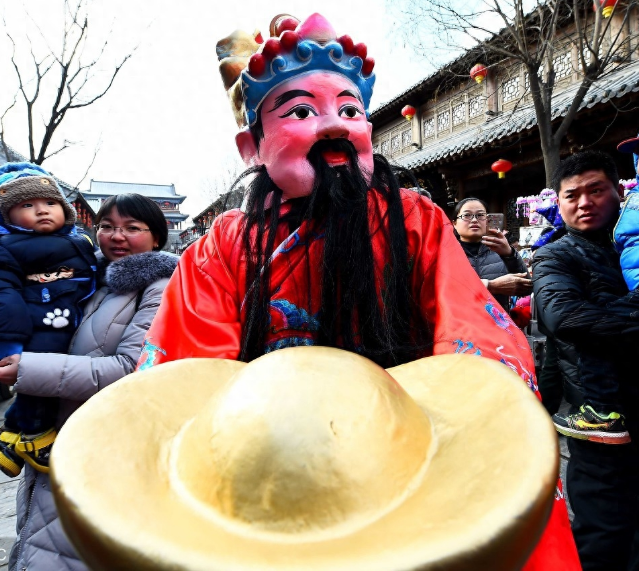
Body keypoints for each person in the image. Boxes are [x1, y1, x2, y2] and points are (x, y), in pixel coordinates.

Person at [142, 13, 579, 569]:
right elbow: (183, 376)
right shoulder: (225, 246)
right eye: (301, 111)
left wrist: (479, 419)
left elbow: (471, 329)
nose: (335, 126)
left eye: (350, 110)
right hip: (272, 477)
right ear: (252, 145)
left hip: (408, 461)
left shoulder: (413, 220)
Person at [0, 193, 178, 571]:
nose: (117, 236)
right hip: (56, 437)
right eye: (107, 226)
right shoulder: (86, 275)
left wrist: (27, 369)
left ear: (157, 237)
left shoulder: (161, 288)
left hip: (102, 445)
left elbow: (131, 370)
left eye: (132, 228)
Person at [532, 150, 639, 570]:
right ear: (558, 203)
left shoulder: (632, 243)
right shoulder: (555, 256)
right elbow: (565, 317)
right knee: (603, 537)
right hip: (597, 419)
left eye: (596, 190)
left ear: (618, 191)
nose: (584, 203)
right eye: (571, 195)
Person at [0, 162, 97, 478]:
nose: (42, 211)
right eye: (27, 205)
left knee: (48, 375)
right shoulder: (8, 246)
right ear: (7, 215)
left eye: (50, 203)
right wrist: (10, 343)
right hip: (38, 324)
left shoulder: (77, 239)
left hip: (62, 313)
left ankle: (11, 435)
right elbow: (5, 295)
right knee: (43, 379)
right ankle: (35, 436)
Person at [453, 197, 531, 311]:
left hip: (498, 325)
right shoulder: (445, 253)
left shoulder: (501, 251)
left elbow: (526, 287)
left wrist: (510, 254)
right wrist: (491, 286)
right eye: (467, 215)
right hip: (458, 325)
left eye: (480, 215)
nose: (474, 220)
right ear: (454, 223)